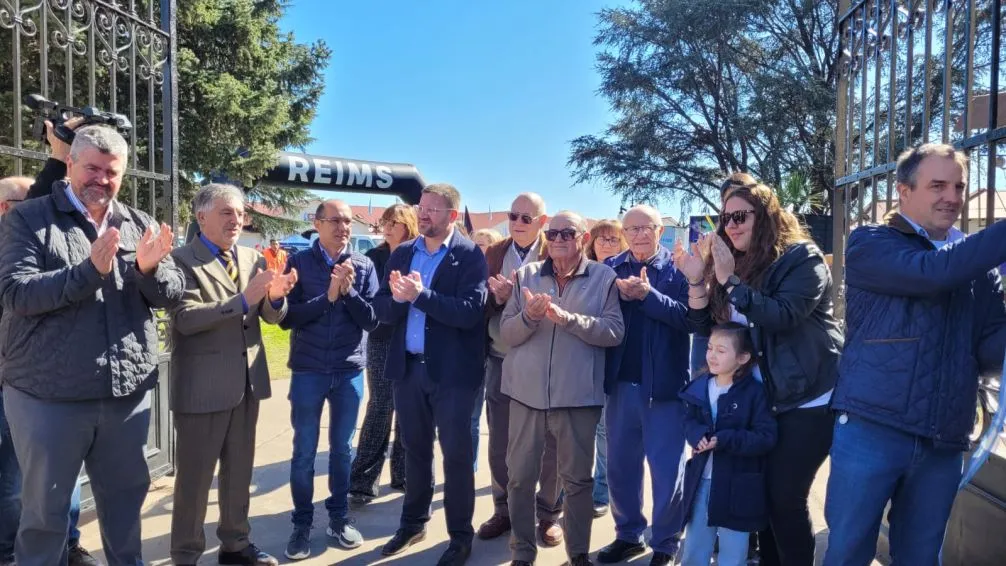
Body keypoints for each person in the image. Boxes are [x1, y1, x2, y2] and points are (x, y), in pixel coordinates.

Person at [0, 125, 184, 566]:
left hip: (125, 397)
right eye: (92, 169)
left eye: (111, 172)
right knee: (44, 516)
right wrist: (88, 272)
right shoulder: (28, 218)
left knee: (124, 510)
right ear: (70, 165)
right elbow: (16, 293)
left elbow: (174, 292)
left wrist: (148, 269)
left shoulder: (137, 222)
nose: (101, 179)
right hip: (49, 396)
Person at [823, 144, 1006, 566]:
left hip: (944, 438)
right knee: (848, 552)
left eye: (959, 186)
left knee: (921, 558)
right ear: (903, 191)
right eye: (937, 185)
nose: (952, 196)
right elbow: (934, 274)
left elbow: (992, 348)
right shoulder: (871, 243)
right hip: (873, 429)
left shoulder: (978, 266)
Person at [675, 181, 842, 566]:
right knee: (763, 498)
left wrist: (730, 280)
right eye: (725, 218)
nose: (731, 225)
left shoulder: (802, 258)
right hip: (760, 400)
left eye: (740, 216)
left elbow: (783, 315)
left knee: (784, 498)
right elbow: (705, 327)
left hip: (806, 399)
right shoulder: (733, 262)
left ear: (765, 216)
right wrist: (698, 280)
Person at [168, 184, 296, 566]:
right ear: (201, 216)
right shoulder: (179, 261)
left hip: (247, 384)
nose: (236, 220)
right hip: (201, 388)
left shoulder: (251, 258)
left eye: (240, 214)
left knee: (239, 471)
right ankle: (185, 554)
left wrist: (275, 296)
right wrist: (242, 300)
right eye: (227, 212)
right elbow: (185, 319)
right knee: (194, 479)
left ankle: (236, 545)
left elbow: (271, 317)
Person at [500, 210, 624, 566]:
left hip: (578, 398)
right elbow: (507, 333)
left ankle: (578, 554)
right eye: (552, 234)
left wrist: (568, 319)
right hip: (526, 396)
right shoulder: (526, 276)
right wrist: (530, 317)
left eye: (566, 233)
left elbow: (614, 332)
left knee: (578, 483)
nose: (557, 240)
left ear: (582, 238)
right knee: (520, 480)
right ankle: (522, 552)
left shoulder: (604, 278)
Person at [373, 183, 488, 566]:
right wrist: (396, 299)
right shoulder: (404, 252)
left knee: (456, 456)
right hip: (408, 370)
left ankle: (459, 537)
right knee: (414, 451)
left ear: (452, 216)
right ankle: (412, 523)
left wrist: (419, 296)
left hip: (452, 376)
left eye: (433, 210)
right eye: (421, 208)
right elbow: (383, 311)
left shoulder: (469, 256)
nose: (423, 216)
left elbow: (470, 312)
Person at [0, 177, 98, 566]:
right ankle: (9, 551)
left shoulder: (50, 241)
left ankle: (68, 543)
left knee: (66, 473)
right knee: (15, 477)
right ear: (8, 208)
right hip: (15, 380)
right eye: (30, 200)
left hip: (59, 380)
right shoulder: (11, 248)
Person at [280, 199, 380, 560]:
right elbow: (287, 319)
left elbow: (372, 320)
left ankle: (339, 518)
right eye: (335, 220)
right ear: (317, 224)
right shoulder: (299, 263)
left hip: (349, 370)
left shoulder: (365, 265)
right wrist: (329, 296)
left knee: (342, 451)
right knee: (304, 452)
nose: (343, 227)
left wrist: (349, 291)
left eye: (348, 221)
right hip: (308, 371)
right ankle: (301, 523)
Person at [598, 205, 691, 566]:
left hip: (664, 388)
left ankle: (666, 542)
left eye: (645, 227)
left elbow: (690, 318)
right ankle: (628, 535)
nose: (638, 234)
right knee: (621, 467)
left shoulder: (678, 269)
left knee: (668, 471)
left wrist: (647, 296)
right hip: (620, 384)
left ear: (659, 229)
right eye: (631, 228)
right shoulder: (609, 270)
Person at [478, 193, 564, 547]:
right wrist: (496, 299)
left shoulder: (560, 249)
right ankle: (504, 510)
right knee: (500, 442)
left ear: (543, 222)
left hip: (545, 363)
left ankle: (547, 515)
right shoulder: (494, 253)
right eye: (514, 215)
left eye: (527, 218)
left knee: (549, 444)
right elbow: (476, 305)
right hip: (501, 360)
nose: (518, 222)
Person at [675, 322, 777, 566]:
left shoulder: (755, 393)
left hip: (738, 487)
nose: (711, 355)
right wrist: (696, 433)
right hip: (701, 481)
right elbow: (688, 420)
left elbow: (766, 437)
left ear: (743, 357)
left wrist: (725, 439)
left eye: (721, 350)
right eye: (710, 348)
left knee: (733, 553)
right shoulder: (699, 386)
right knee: (694, 549)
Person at [349, 204, 418, 505]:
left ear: (409, 225)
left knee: (408, 410)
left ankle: (403, 475)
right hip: (379, 340)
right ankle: (363, 481)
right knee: (380, 407)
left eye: (395, 222)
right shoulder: (373, 258)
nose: (387, 227)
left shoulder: (419, 256)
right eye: (385, 222)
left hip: (410, 341)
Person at [584, 219, 628, 519]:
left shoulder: (624, 274)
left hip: (611, 365)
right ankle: (565, 488)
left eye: (613, 239)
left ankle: (601, 490)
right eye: (602, 239)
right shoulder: (581, 271)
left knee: (603, 431)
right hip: (579, 361)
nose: (607, 244)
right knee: (572, 432)